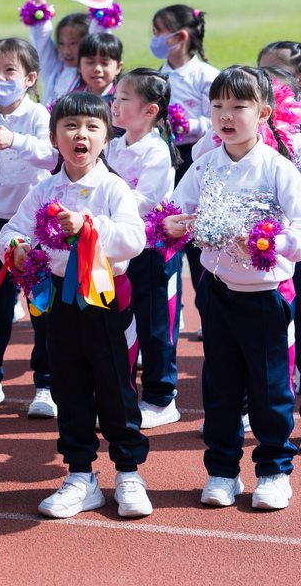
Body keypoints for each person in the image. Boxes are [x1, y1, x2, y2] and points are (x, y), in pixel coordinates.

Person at [165, 66, 301, 511]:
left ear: (264, 113)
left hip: (267, 298)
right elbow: (173, 210)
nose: (226, 116)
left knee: (271, 390)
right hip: (217, 292)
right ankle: (222, 471)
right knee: (220, 387)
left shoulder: (277, 168)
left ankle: (273, 471)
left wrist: (274, 243)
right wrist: (172, 224)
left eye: (239, 106)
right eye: (218, 106)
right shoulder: (205, 165)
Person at [0, 92, 151, 519]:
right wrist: (16, 248)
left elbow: (134, 238)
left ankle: (128, 472)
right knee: (69, 387)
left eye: (91, 127)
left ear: (107, 137)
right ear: (54, 137)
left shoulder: (113, 188)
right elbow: (13, 231)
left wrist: (89, 227)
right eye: (69, 126)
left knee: (117, 388)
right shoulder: (44, 189)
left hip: (107, 301)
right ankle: (81, 475)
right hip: (60, 303)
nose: (80, 134)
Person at [0, 38, 55, 413]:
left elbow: (52, 155)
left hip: (36, 227)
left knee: (42, 308)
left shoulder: (37, 116)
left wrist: (14, 140)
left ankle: (45, 385)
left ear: (29, 78)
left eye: (9, 71)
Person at [106, 69, 181, 429]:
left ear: (150, 110)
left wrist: (104, 206)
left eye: (123, 99)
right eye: (115, 97)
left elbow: (146, 200)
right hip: (118, 248)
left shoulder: (156, 150)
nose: (114, 104)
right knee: (119, 325)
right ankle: (121, 395)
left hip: (150, 251)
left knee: (154, 325)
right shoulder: (113, 144)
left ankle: (161, 397)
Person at [152, 4, 219, 325]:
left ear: (179, 36)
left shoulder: (206, 75)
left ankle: (210, 313)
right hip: (165, 163)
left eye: (158, 31)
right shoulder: (157, 76)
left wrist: (189, 125)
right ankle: (172, 309)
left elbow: (220, 120)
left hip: (199, 161)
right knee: (169, 233)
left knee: (199, 240)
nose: (154, 38)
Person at [77, 33, 123, 104]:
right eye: (90, 62)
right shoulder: (73, 100)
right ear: (79, 66)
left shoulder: (122, 101)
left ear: (118, 67)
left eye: (105, 63)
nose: (97, 69)